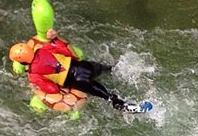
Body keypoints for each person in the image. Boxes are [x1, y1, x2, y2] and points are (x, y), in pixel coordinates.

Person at [8, 37, 138, 113]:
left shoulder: (33, 75)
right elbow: (64, 50)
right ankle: (118, 69)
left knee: (100, 92)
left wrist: (54, 88)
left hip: (76, 80)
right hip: (82, 65)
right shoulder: (43, 48)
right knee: (102, 68)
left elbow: (50, 89)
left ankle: (118, 103)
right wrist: (55, 39)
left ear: (21, 61)